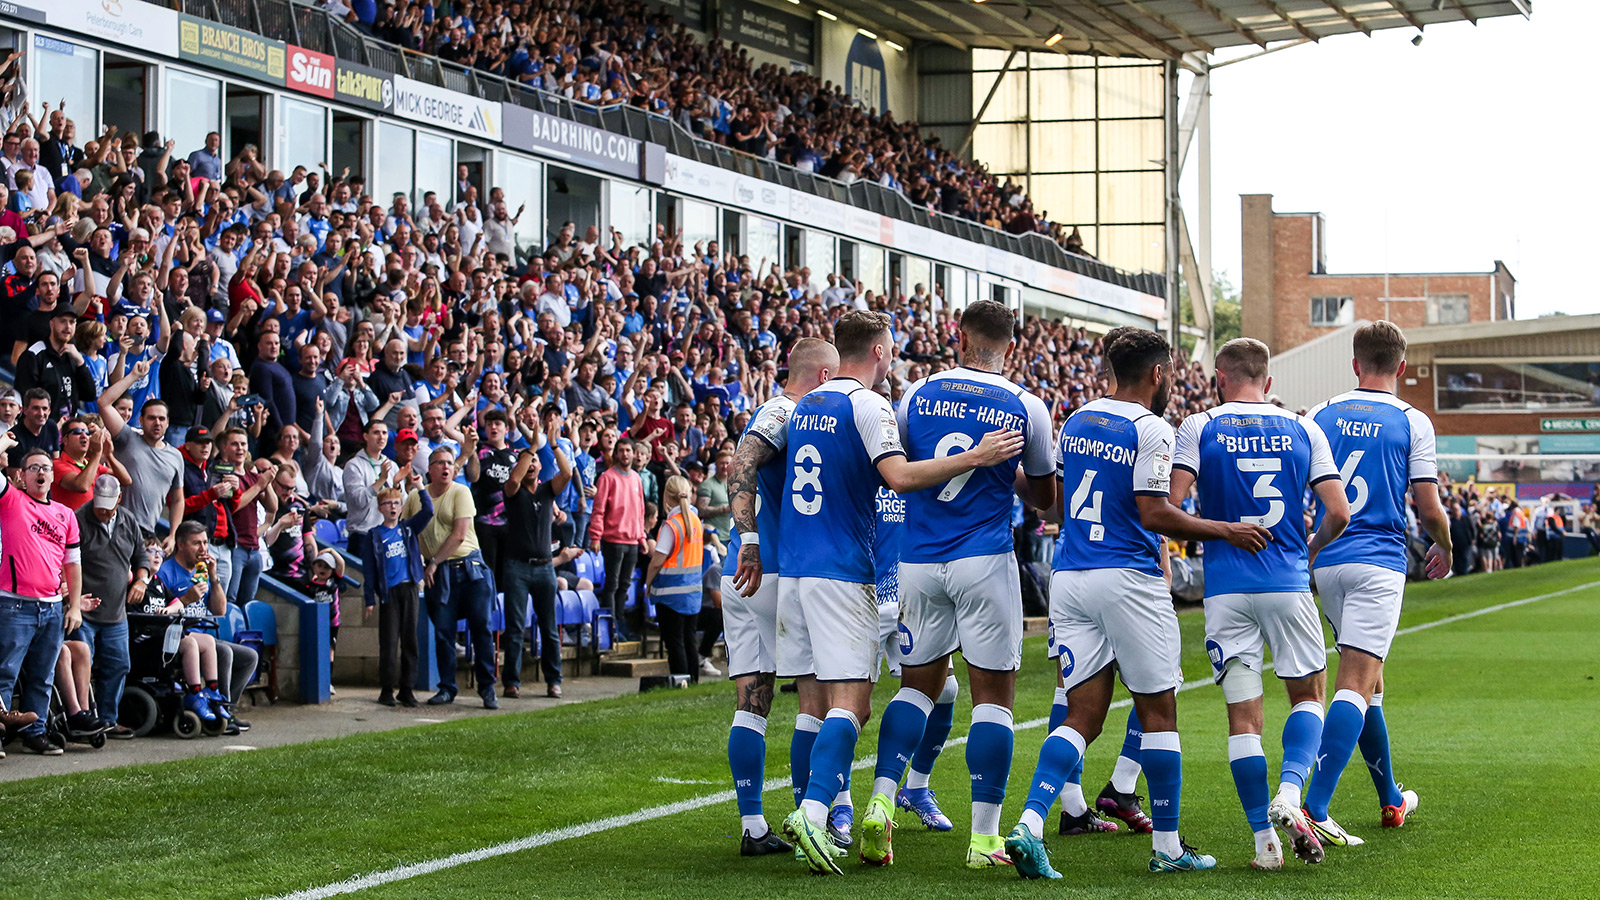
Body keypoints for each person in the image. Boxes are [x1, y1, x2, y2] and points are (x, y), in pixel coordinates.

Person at [1003, 330, 1270, 878]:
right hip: (1127, 579)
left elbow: (1056, 496)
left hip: (1072, 575)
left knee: (1081, 715)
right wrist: (1225, 530)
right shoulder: (1152, 429)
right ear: (1156, 374)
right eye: (1169, 371)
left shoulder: (1077, 419)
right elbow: (1153, 511)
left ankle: (1029, 824)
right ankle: (1168, 848)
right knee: (1159, 712)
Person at [771, 310, 1023, 874]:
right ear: (881, 352)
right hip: (844, 572)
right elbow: (901, 478)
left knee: (814, 706)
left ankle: (828, 810)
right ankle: (814, 813)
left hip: (795, 569)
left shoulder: (806, 403)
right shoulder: (870, 405)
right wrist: (979, 456)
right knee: (853, 705)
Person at [857, 300, 1057, 870]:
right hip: (983, 560)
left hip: (918, 561)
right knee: (993, 698)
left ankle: (881, 802)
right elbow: (1044, 499)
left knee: (917, 688)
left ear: (958, 337)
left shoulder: (916, 393)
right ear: (1011, 347)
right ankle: (984, 839)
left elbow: (904, 468)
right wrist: (1000, 468)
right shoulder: (1026, 405)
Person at [1168, 337, 1351, 868]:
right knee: (1309, 696)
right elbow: (1338, 512)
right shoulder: (1304, 428)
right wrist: (1306, 552)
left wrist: (1219, 531)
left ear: (1218, 379)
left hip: (1224, 589)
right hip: (1286, 581)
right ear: (1267, 382)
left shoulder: (1198, 426)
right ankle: (1291, 794)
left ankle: (1262, 845)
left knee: (1243, 719)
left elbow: (1171, 505)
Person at [1302, 321, 1451, 844]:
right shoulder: (1413, 420)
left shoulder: (1319, 414)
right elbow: (1428, 507)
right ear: (1403, 368)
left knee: (1371, 682)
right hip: (1378, 562)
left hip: (1327, 560)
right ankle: (1314, 807)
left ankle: (1390, 797)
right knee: (1355, 684)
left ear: (1355, 364)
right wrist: (1447, 546)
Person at [722, 337, 834, 856]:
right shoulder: (787, 411)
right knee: (816, 696)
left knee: (752, 703)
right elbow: (742, 461)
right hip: (770, 571)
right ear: (824, 379)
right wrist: (751, 540)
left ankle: (753, 827)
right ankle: (810, 817)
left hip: (737, 576)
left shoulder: (778, 408)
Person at [0, 439, 86, 755]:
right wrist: (4, 442)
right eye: (34, 468)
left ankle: (35, 733)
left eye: (46, 468)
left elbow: (73, 564)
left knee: (42, 675)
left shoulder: (66, 514)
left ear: (52, 476)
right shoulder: (10, 500)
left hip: (51, 606)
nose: (41, 473)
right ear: (21, 475)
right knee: (5, 672)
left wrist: (74, 605)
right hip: (13, 602)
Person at [405, 447, 498, 708]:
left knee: (481, 627)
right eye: (440, 463)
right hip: (439, 574)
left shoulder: (461, 491)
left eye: (450, 463)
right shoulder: (416, 497)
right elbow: (405, 532)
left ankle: (487, 687)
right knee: (444, 632)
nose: (446, 467)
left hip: (469, 570)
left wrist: (433, 562)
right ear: (429, 469)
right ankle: (447, 687)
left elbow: (459, 534)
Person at [72, 474, 152, 739]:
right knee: (83, 664)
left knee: (118, 665)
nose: (103, 512)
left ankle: (108, 718)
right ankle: (84, 718)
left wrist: (141, 579)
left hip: (116, 612)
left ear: (119, 499)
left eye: (109, 507)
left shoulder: (128, 520)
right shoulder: (80, 519)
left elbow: (141, 555)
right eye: (99, 506)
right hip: (85, 609)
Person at [500, 422, 570, 699]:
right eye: (527, 462)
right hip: (517, 566)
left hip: (544, 568)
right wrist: (530, 447)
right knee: (515, 629)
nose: (531, 465)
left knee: (549, 629)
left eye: (535, 462)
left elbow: (567, 472)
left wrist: (552, 444)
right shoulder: (513, 492)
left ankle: (554, 681)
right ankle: (511, 682)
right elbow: (514, 481)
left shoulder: (547, 492)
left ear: (541, 468)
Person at [99, 363, 186, 550]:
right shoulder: (127, 437)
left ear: (168, 422)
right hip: (115, 523)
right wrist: (133, 377)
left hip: (146, 533)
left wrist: (173, 534)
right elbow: (104, 403)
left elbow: (178, 499)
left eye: (161, 419)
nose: (157, 423)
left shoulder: (176, 456)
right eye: (151, 418)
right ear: (140, 420)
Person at [362, 484, 432, 708]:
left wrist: (421, 488)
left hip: (409, 588)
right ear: (380, 508)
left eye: (396, 503)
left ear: (401, 507)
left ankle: (407, 688)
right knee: (389, 642)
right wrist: (370, 599)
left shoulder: (408, 529)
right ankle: (386, 689)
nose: (392, 507)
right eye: (387, 504)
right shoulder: (374, 536)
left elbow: (428, 511)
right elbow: (369, 570)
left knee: (410, 639)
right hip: (389, 593)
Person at [643, 475, 704, 681]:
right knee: (689, 640)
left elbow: (657, 560)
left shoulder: (671, 525)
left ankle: (680, 680)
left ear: (667, 497)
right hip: (693, 591)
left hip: (670, 594)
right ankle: (693, 679)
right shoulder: (696, 521)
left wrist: (648, 582)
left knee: (674, 641)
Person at [590, 437, 646, 639]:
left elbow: (640, 510)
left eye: (628, 450)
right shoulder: (607, 477)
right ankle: (610, 627)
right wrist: (595, 536)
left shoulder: (636, 478)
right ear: (616, 454)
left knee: (625, 585)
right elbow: (598, 510)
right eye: (621, 450)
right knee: (611, 585)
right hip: (612, 540)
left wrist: (641, 536)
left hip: (632, 541)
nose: (625, 454)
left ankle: (620, 622)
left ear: (633, 453)